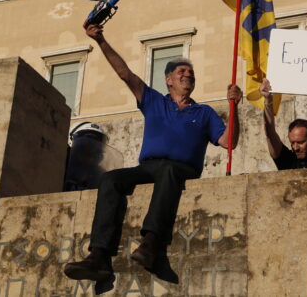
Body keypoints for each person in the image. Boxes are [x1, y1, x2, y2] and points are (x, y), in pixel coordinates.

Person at [64, 23, 242, 292]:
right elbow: (125, 73)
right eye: (181, 72)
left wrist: (234, 107)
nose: (187, 75)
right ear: (169, 80)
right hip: (147, 166)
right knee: (111, 179)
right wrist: (100, 40)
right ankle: (99, 256)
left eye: (191, 73)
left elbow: (229, 142)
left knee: (169, 172)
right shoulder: (154, 100)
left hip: (181, 168)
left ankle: (151, 244)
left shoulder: (204, 113)